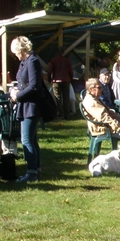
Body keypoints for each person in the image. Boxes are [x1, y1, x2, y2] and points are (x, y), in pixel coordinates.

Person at [10, 36, 43, 183]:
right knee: (32, 139)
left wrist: (18, 96)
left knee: (26, 140)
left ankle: (31, 172)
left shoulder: (33, 61)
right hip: (25, 104)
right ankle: (36, 170)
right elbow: (22, 82)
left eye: (15, 52)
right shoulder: (24, 62)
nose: (15, 55)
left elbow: (34, 86)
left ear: (21, 49)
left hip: (31, 105)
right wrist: (14, 90)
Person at [82, 78, 120, 145]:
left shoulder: (95, 98)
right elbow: (105, 118)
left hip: (109, 125)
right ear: (91, 89)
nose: (101, 90)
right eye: (99, 88)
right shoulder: (91, 102)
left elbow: (110, 113)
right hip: (104, 128)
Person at [45, 48, 75, 120]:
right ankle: (67, 114)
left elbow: (49, 71)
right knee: (66, 98)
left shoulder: (53, 60)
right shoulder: (67, 61)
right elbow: (71, 72)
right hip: (66, 80)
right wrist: (70, 79)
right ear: (63, 52)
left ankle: (61, 114)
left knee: (58, 98)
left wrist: (49, 79)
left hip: (56, 81)